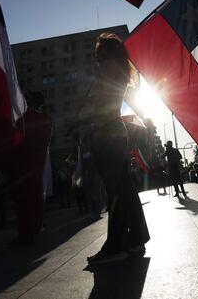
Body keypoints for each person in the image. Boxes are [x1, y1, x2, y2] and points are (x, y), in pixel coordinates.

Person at [83, 33, 150, 265]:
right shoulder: (116, 69)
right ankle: (134, 239)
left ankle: (116, 244)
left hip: (109, 133)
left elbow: (106, 108)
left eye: (99, 53)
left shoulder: (110, 70)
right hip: (112, 132)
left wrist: (80, 122)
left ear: (108, 53)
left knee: (117, 191)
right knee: (123, 189)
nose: (97, 58)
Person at [6, 91, 51, 245]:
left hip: (23, 164)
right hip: (37, 164)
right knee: (34, 197)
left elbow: (17, 140)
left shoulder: (23, 120)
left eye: (27, 97)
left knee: (23, 199)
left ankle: (25, 233)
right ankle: (32, 228)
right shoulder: (44, 119)